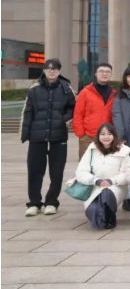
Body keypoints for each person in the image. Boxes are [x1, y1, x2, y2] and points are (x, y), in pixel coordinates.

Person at [21, 58, 76, 217]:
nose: (51, 72)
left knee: (57, 172)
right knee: (34, 171)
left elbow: (73, 107)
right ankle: (34, 203)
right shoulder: (34, 89)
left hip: (58, 136)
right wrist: (26, 133)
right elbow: (28, 112)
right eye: (48, 69)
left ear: (59, 71)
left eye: (55, 69)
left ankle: (51, 202)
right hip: (37, 136)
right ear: (44, 71)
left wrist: (63, 119)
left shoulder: (66, 88)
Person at [74, 123, 130, 229]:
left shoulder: (123, 151)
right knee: (92, 211)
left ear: (114, 135)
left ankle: (109, 217)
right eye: (103, 134)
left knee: (106, 193)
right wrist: (96, 180)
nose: (106, 137)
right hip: (96, 187)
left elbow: (127, 173)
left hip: (116, 186)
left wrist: (111, 181)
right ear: (98, 136)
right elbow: (81, 172)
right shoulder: (92, 149)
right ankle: (104, 218)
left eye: (109, 134)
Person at [73, 62, 117, 159]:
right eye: (101, 71)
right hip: (88, 137)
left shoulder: (114, 94)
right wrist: (81, 134)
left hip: (108, 137)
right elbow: (78, 114)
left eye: (107, 72)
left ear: (111, 74)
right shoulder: (85, 92)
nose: (104, 74)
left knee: (107, 164)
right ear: (96, 74)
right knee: (87, 164)